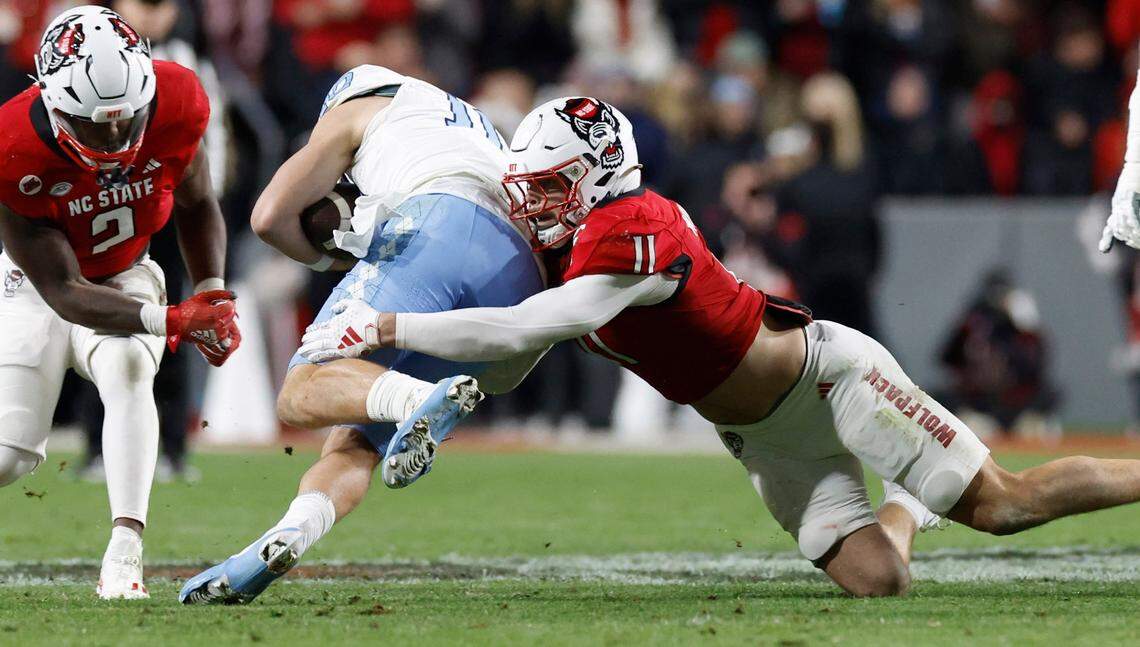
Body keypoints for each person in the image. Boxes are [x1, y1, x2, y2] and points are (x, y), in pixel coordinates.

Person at [304, 97, 1140, 597]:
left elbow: (529, 327)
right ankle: (909, 500)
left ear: (598, 176)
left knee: (1002, 504)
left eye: (551, 187)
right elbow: (509, 334)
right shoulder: (564, 240)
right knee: (883, 582)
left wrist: (386, 328)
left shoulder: (636, 225)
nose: (533, 205)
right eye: (531, 187)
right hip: (760, 437)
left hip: (825, 377)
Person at [179, 64, 544, 604]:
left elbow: (269, 217)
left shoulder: (361, 106)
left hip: (436, 227)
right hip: (521, 276)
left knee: (302, 392)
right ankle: (285, 535)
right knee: (354, 437)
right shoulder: (473, 124)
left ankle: (420, 399)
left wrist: (328, 259)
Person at [0, 6, 239, 599]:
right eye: (94, 124)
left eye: (125, 118)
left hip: (127, 270)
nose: (113, 137)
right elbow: (62, 292)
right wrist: (174, 317)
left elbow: (197, 201)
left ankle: (125, 551)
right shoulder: (11, 146)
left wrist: (211, 292)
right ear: (53, 102)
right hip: (35, 287)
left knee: (129, 364)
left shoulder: (178, 98)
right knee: (9, 458)